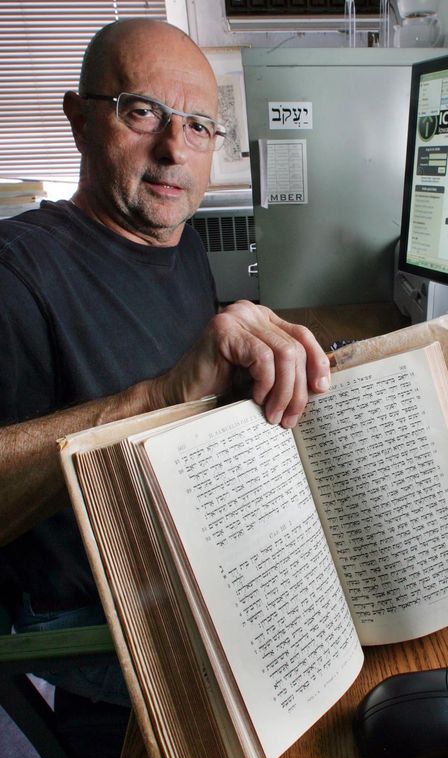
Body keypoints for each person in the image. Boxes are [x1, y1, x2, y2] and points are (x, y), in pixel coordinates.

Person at [0, 18, 330, 706]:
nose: (175, 147)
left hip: (200, 542)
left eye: (200, 126)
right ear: (79, 120)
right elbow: (168, 392)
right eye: (143, 111)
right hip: (97, 608)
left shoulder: (176, 240)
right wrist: (156, 398)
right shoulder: (17, 272)